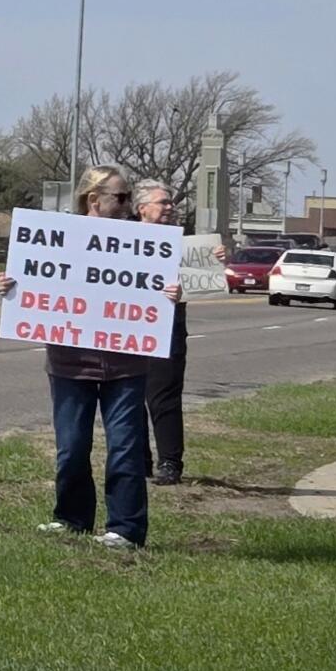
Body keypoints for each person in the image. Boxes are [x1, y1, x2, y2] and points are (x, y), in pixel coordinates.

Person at [0, 164, 157, 549]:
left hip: (125, 365)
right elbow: (36, 281)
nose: (127, 204)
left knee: (125, 449)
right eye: (120, 197)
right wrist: (11, 286)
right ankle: (71, 518)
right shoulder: (57, 240)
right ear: (93, 201)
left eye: (128, 197)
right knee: (71, 448)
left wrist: (170, 292)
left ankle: (125, 529)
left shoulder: (145, 242)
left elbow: (176, 281)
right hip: (70, 363)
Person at [134, 178, 190, 485]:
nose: (170, 207)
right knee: (129, 395)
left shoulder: (185, 244)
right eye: (163, 202)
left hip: (168, 326)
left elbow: (204, 281)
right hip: (129, 324)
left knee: (163, 396)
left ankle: (170, 462)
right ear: (142, 209)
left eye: (171, 203)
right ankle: (139, 459)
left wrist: (216, 262)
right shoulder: (120, 239)